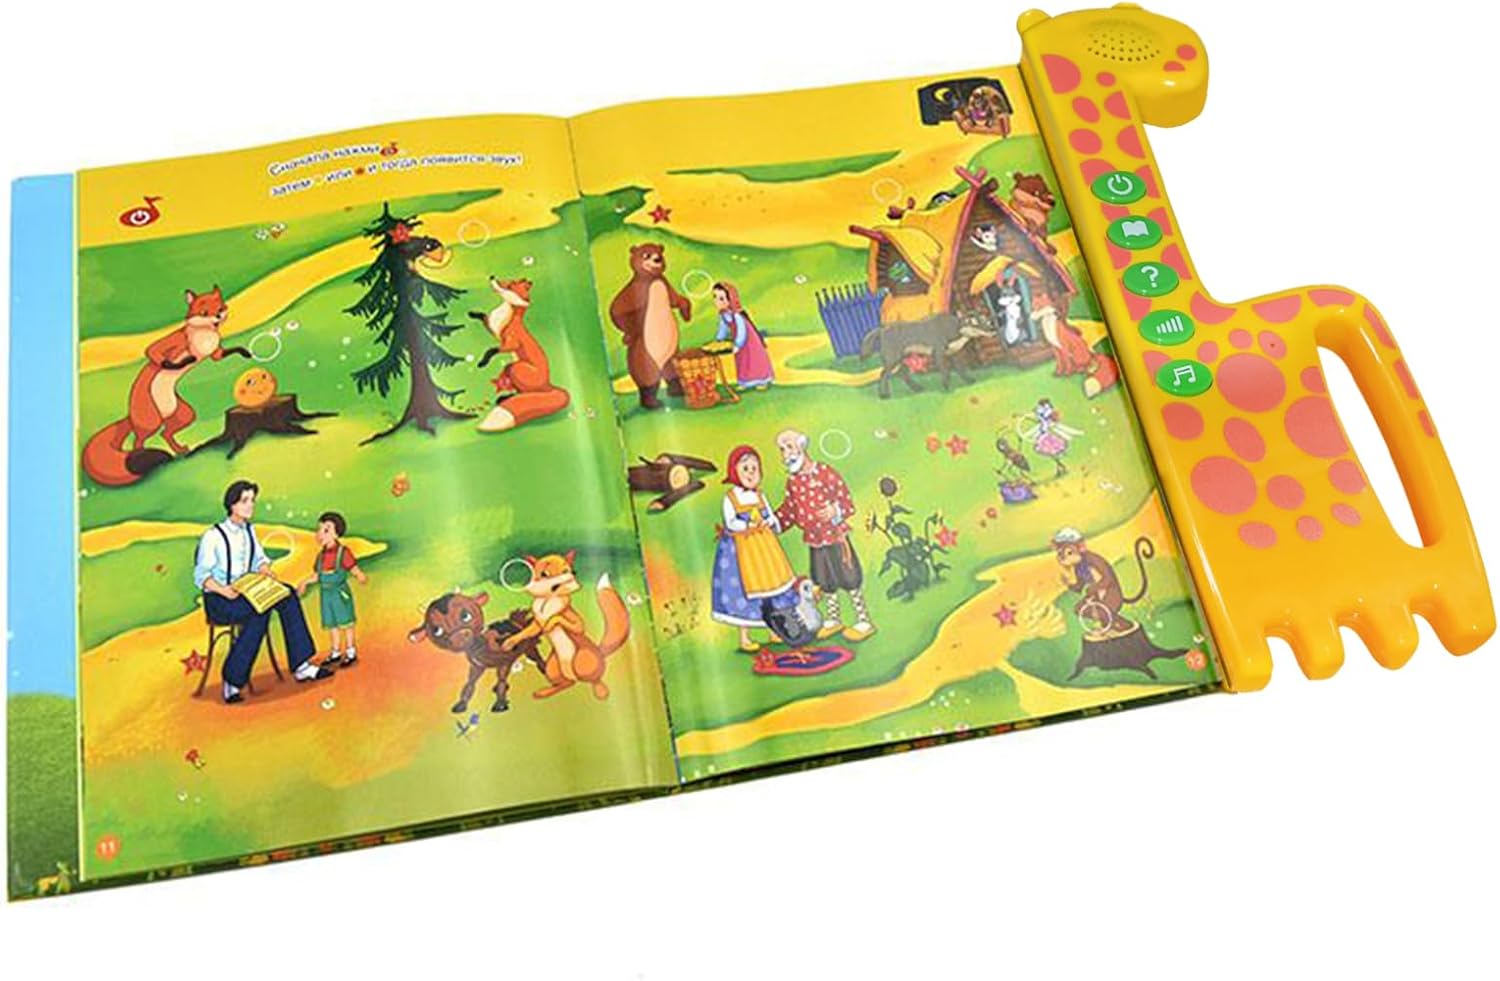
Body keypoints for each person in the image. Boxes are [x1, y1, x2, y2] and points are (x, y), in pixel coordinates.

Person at [193, 480, 331, 703]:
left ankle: (301, 664)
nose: (250, 505)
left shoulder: (249, 531)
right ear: (232, 505)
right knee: (259, 613)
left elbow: (259, 559)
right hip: (220, 599)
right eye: (245, 501)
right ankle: (232, 682)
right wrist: (224, 590)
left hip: (246, 592)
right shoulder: (213, 536)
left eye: (252, 500)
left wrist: (266, 570)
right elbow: (201, 576)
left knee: (287, 595)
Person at [773, 430, 875, 642]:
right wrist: (773, 523)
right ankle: (834, 618)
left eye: (790, 447)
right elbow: (789, 510)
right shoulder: (793, 482)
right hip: (814, 539)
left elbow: (846, 501)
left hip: (836, 536)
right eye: (782, 449)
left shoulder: (824, 472)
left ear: (802, 447)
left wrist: (834, 510)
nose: (786, 454)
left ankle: (863, 619)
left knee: (848, 575)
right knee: (823, 578)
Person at [711, 445, 797, 653]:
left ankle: (773, 629)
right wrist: (748, 525)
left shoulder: (759, 495)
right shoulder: (731, 497)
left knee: (771, 585)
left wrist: (769, 521)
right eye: (745, 469)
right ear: (734, 472)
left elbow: (770, 515)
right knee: (745, 591)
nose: (751, 473)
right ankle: (744, 637)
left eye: (754, 469)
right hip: (742, 551)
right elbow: (731, 522)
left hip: (765, 548)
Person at [297, 511, 368, 667]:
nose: (320, 534)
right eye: (319, 529)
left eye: (326, 530)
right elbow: (317, 575)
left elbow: (353, 568)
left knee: (346, 623)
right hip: (326, 595)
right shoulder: (320, 556)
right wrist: (304, 582)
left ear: (337, 534)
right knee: (332, 625)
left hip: (339, 593)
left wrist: (360, 575)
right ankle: (335, 652)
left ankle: (350, 651)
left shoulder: (343, 552)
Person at [712, 282, 775, 391]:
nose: (717, 301)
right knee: (742, 360)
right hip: (738, 341)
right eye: (715, 297)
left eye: (721, 298)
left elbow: (742, 330)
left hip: (749, 340)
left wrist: (738, 344)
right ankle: (745, 381)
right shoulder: (723, 314)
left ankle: (762, 380)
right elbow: (723, 328)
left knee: (754, 358)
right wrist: (719, 339)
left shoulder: (736, 315)